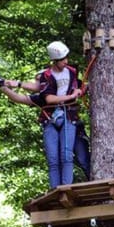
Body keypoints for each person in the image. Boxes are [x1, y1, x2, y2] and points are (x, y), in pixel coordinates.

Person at [0, 68, 90, 181]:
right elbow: (18, 98)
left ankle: (95, 182)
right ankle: (60, 188)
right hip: (55, 128)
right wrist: (3, 87)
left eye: (41, 80)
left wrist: (80, 91)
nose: (40, 84)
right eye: (38, 81)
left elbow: (84, 85)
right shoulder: (41, 98)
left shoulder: (66, 86)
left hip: (73, 127)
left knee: (83, 160)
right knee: (56, 160)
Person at [38, 41, 83, 188]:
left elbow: (77, 88)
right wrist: (69, 97)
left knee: (66, 154)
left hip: (68, 115)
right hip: (50, 117)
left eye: (66, 58)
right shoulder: (46, 75)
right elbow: (49, 98)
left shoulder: (71, 71)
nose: (66, 61)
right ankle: (54, 190)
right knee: (53, 159)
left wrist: (78, 92)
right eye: (62, 59)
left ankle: (66, 188)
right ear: (54, 61)